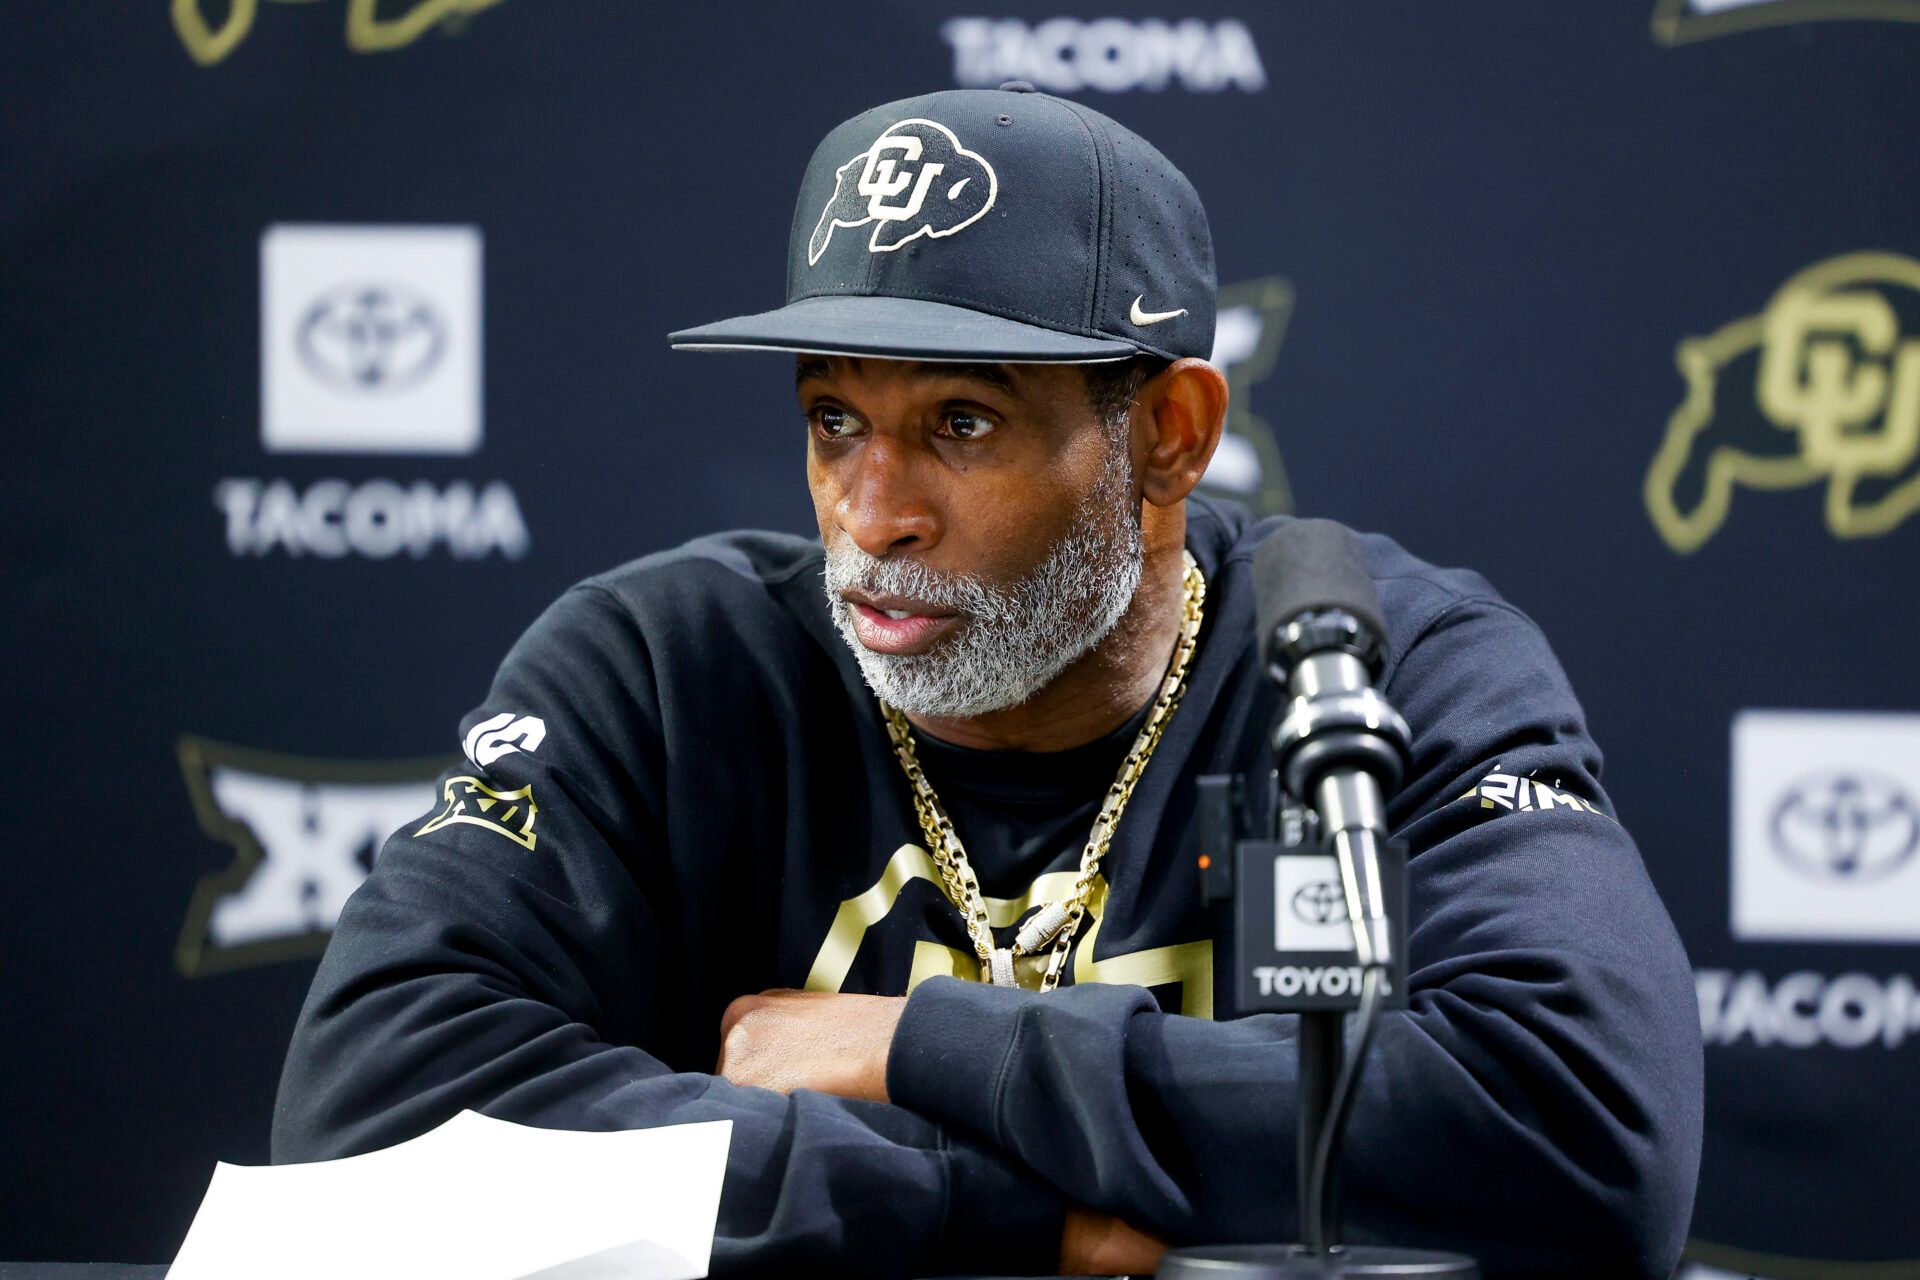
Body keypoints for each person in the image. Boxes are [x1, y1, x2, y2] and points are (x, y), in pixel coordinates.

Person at [273, 85, 1703, 1279]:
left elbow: (1585, 1128)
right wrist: (999, 1204)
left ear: (1168, 435)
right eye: (836, 419)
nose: (871, 513)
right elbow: (374, 1120)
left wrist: (922, 1046)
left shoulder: (1362, 663)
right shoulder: (663, 668)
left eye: (961, 423)